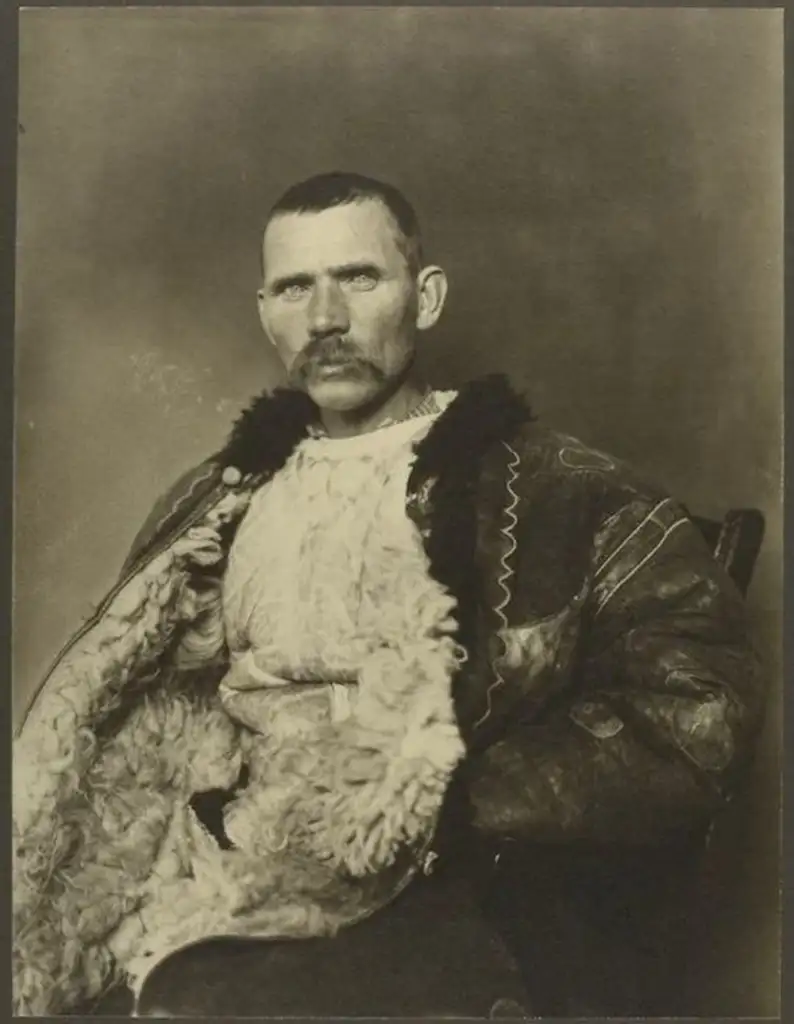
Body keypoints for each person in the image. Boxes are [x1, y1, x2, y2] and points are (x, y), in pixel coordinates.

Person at [13, 171, 766, 1018]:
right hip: (216, 857)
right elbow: (137, 713)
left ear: (427, 295)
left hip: (444, 883)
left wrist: (448, 802)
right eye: (296, 287)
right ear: (266, 312)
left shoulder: (560, 488)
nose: (326, 319)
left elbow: (697, 708)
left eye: (359, 278)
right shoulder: (214, 497)